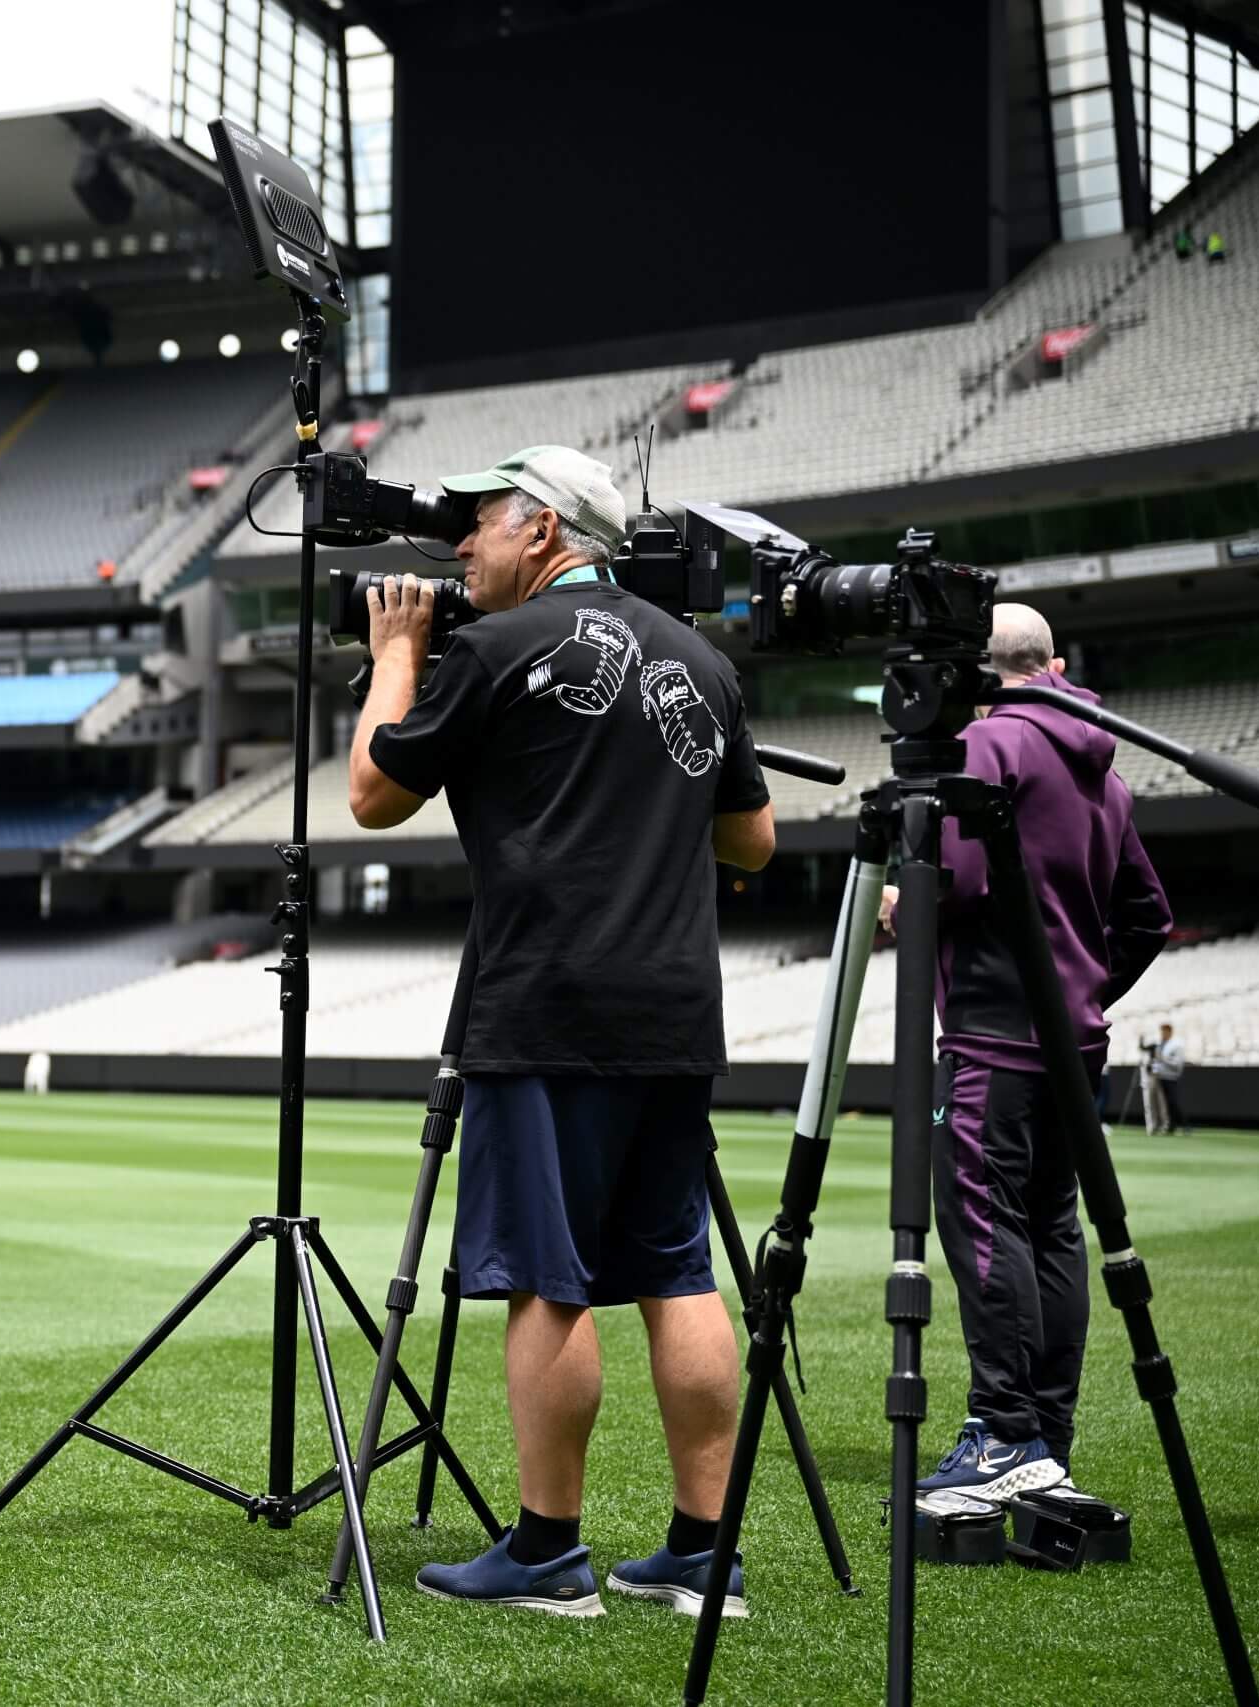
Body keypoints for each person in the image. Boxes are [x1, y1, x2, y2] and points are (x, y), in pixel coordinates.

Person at [347, 445, 774, 1619]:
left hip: (545, 1005)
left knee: (547, 1277)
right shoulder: (700, 660)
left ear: (542, 531)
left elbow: (372, 796)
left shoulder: (492, 648)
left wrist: (398, 653)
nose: (458, 546)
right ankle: (701, 1552)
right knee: (677, 1272)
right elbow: (751, 842)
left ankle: (546, 1552)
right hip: (674, 1008)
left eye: (480, 521)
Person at [895, 603, 1170, 1504]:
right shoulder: (1104, 771)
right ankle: (1045, 1438)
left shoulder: (990, 745)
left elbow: (963, 880)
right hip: (1071, 1044)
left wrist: (905, 898)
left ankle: (1004, 1433)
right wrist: (1077, 994)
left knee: (985, 1220)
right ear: (1050, 664)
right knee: (1053, 1226)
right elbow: (1149, 916)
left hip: (991, 1037)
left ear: (978, 672)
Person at [1151, 1021, 1190, 1133]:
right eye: (1162, 1031)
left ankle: (1185, 1125)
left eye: (1164, 1031)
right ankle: (1171, 1126)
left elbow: (1178, 1064)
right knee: (1167, 1103)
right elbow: (1156, 1061)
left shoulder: (1177, 1045)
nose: (1162, 1034)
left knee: (1173, 1101)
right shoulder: (1161, 1044)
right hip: (1161, 1077)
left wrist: (1163, 1059)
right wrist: (1155, 1070)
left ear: (1170, 1032)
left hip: (1172, 1077)